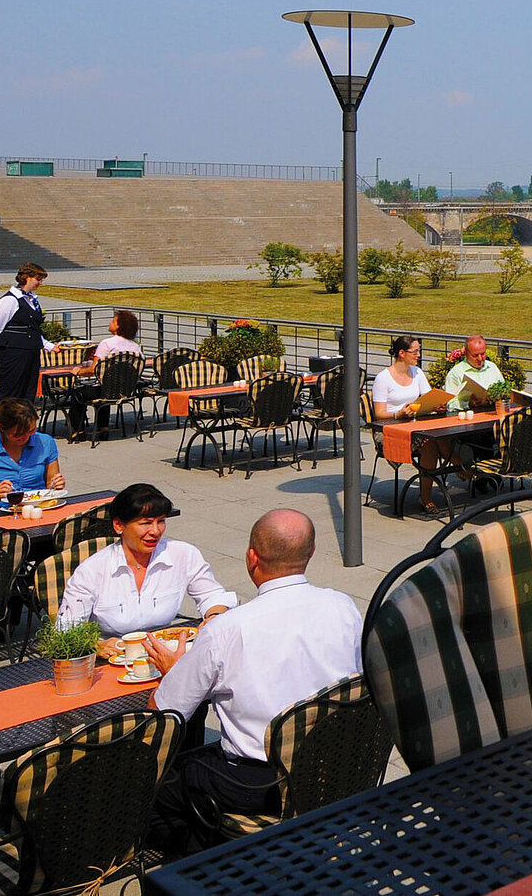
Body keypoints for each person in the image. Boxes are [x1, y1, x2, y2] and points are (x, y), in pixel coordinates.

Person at [143, 509, 360, 857]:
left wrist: (177, 670)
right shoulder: (343, 607)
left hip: (260, 784)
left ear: (251, 558)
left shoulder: (228, 629)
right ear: (312, 552)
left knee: (152, 791)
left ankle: (215, 868)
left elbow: (164, 713)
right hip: (336, 767)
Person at [55, 483, 235, 657]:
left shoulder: (183, 554)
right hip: (114, 658)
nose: (155, 531)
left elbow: (212, 595)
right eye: (145, 523)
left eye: (161, 521)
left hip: (167, 652)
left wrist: (214, 616)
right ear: (119, 526)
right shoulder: (92, 570)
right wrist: (97, 645)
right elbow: (65, 630)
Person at [373, 335, 452, 512]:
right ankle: (429, 494)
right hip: (391, 430)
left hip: (416, 425)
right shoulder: (383, 378)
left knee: (443, 434)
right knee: (429, 442)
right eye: (415, 352)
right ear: (402, 353)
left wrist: (437, 406)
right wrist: (398, 414)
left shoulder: (417, 373)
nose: (419, 355)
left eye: (419, 351)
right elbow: (379, 414)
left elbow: (428, 398)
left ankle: (460, 468)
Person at [0, 398, 64, 507]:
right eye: (17, 434)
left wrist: (56, 485)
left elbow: (50, 485)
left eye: (31, 431)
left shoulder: (45, 443)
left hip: (37, 508)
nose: (26, 438)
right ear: (1, 427)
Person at [63, 309, 142, 440]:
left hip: (106, 390)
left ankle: (77, 430)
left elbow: (94, 369)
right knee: (104, 388)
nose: (110, 323)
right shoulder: (135, 347)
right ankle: (103, 427)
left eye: (113, 321)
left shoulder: (107, 344)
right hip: (126, 390)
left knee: (79, 393)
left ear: (118, 326)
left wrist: (78, 371)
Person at [0, 263, 53, 404]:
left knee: (28, 393)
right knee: (11, 394)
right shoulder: (10, 300)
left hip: (30, 352)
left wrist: (49, 346)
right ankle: (3, 418)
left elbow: (32, 329)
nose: (40, 283)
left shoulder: (32, 299)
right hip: (13, 354)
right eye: (38, 279)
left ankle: (23, 418)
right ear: (27, 277)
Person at [441, 335, 504, 412]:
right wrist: (467, 404)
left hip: (493, 412)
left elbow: (504, 392)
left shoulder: (492, 367)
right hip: (468, 415)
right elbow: (450, 404)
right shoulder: (456, 373)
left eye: (482, 354)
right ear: (466, 355)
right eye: (475, 355)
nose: (480, 359)